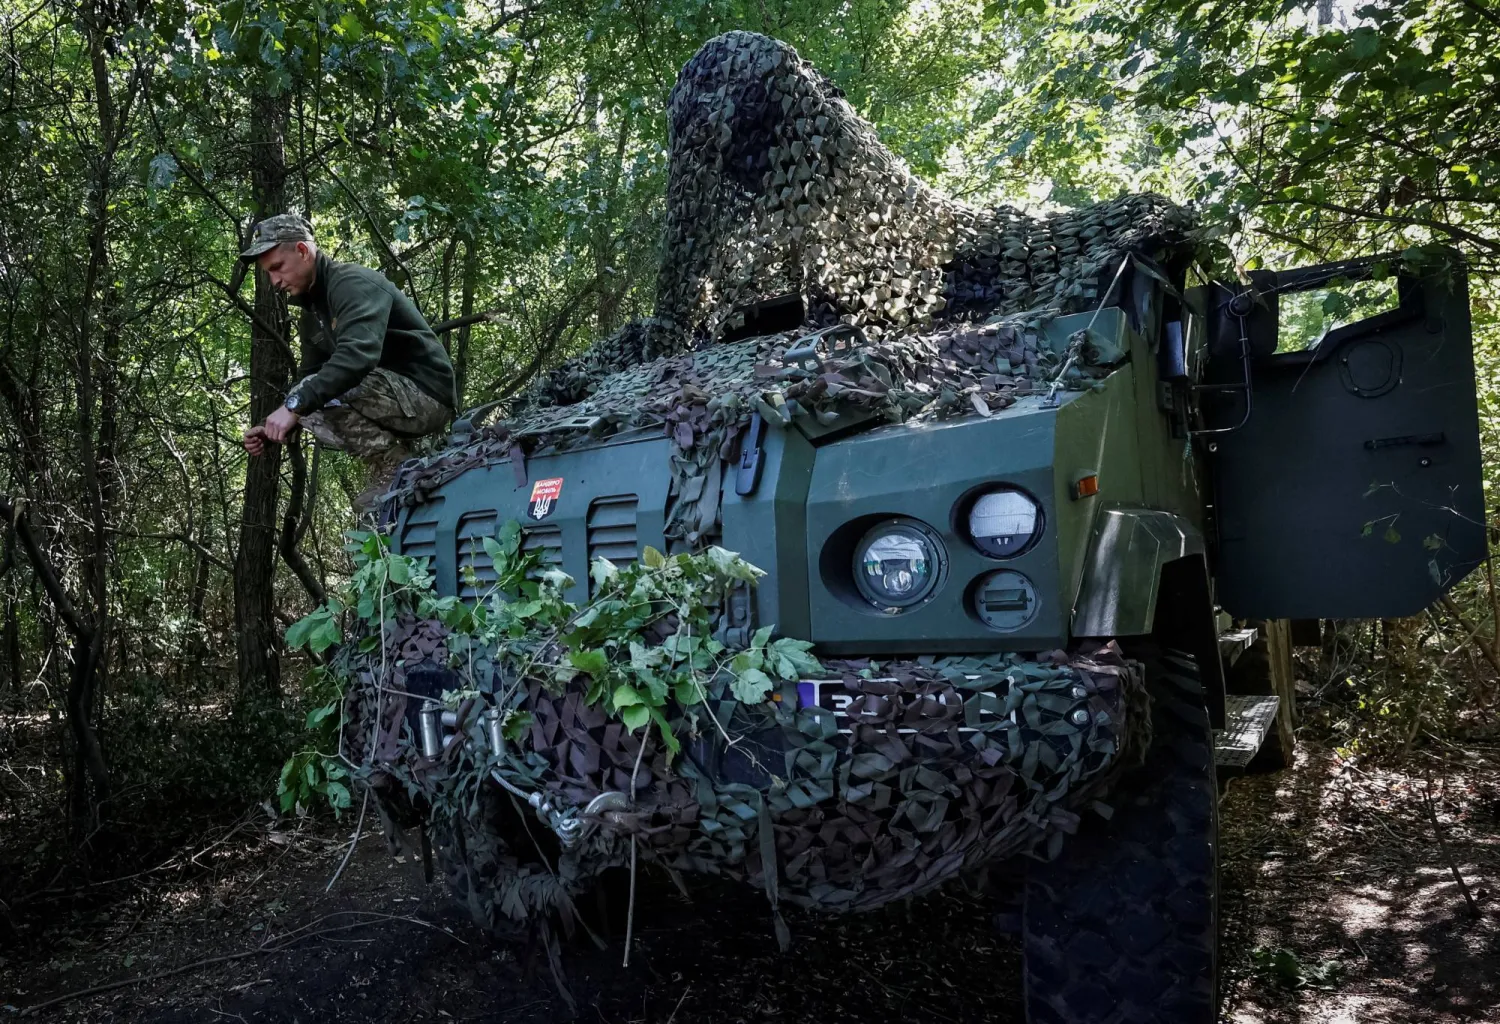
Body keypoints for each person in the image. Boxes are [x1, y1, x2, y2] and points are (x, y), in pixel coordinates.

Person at [238, 214, 457, 512]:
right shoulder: (314, 312)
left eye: (277, 268)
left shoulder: (353, 283)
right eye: (269, 273)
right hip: (393, 399)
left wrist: (294, 406)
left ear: (302, 251)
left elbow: (357, 358)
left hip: (426, 395)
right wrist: (271, 426)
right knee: (305, 395)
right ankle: (395, 462)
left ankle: (394, 465)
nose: (274, 282)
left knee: (306, 396)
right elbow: (310, 376)